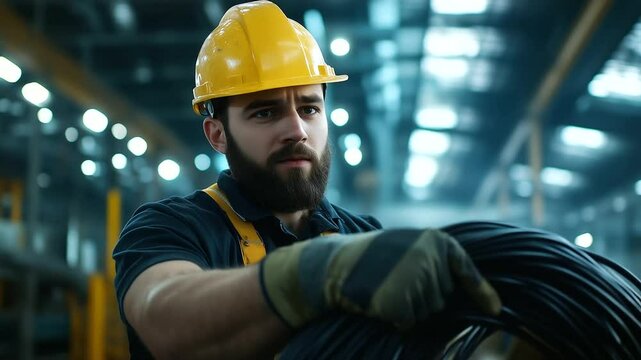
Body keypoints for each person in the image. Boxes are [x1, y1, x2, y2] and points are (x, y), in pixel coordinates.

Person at [113, 1, 502, 359]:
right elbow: (164, 319)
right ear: (217, 134)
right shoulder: (171, 227)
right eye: (265, 113)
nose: (297, 130)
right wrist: (316, 273)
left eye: (310, 107)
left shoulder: (364, 238)